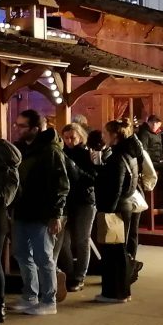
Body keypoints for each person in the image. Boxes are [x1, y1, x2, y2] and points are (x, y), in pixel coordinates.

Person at [9, 110, 69, 316]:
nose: (17, 128)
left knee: (44, 257)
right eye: (16, 124)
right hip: (22, 211)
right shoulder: (21, 149)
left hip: (42, 213)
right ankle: (30, 295)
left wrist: (56, 214)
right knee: (22, 254)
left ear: (35, 128)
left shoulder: (50, 151)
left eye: (22, 126)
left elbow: (61, 185)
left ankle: (48, 299)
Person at [94, 120, 140, 303]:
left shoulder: (117, 157)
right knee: (119, 250)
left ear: (114, 135)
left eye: (105, 133)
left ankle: (114, 292)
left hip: (116, 208)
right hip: (125, 206)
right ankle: (121, 291)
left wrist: (108, 211)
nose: (102, 136)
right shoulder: (130, 154)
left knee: (113, 253)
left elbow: (115, 186)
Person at [56, 123, 98, 292]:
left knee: (82, 239)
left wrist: (75, 170)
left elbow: (92, 178)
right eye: (66, 138)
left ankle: (79, 276)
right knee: (63, 241)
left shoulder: (87, 154)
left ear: (81, 136)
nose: (69, 141)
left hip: (84, 200)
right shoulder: (61, 153)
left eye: (72, 137)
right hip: (66, 201)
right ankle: (69, 272)